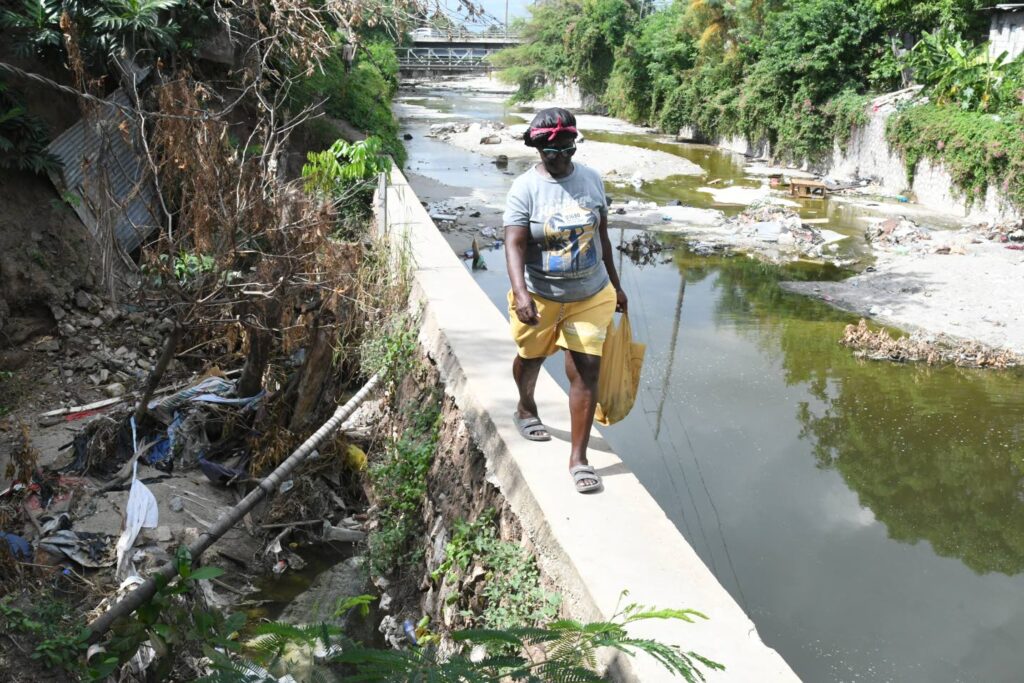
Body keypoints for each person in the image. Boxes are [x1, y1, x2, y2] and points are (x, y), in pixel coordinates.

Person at [503, 107, 627, 494]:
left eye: (567, 150)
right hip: (541, 295)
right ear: (539, 150)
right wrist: (521, 292)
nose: (560, 159)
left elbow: (603, 237)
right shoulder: (525, 188)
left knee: (586, 370)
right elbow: (514, 242)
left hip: (590, 294)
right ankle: (525, 406)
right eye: (552, 153)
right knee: (531, 357)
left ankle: (579, 459)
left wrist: (616, 285)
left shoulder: (591, 180)